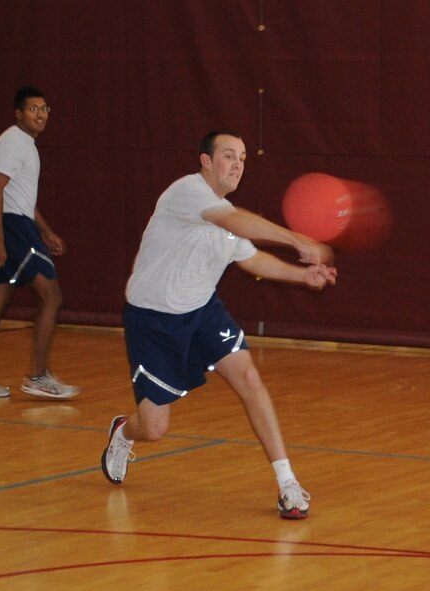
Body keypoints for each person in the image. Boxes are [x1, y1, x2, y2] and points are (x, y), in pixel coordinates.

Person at [101, 129, 337, 519]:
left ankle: (287, 484)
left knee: (250, 379)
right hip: (154, 321)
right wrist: (297, 240)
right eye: (229, 156)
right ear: (205, 161)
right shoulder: (187, 193)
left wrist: (302, 276)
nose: (238, 164)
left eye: (243, 158)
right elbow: (238, 222)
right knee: (155, 428)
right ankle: (124, 432)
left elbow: (250, 258)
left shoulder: (228, 219)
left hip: (203, 311)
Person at [0, 86, 78, 400]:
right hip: (10, 227)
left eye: (45, 108)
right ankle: (38, 376)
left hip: (16, 224)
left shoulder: (26, 145)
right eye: (33, 109)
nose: (40, 114)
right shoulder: (13, 141)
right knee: (51, 296)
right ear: (18, 113)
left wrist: (46, 231)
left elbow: (20, 197)